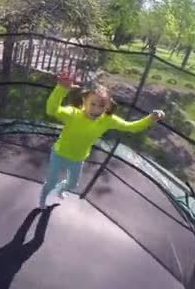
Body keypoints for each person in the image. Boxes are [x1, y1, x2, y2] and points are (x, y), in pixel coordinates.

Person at [39, 69, 165, 209]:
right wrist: (60, 90)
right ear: (84, 100)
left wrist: (150, 119)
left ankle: (60, 189)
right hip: (60, 154)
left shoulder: (107, 120)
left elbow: (131, 127)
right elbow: (51, 110)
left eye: (101, 106)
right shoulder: (73, 114)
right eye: (93, 104)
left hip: (78, 158)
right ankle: (43, 199)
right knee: (50, 182)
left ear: (106, 107)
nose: (96, 109)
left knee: (72, 184)